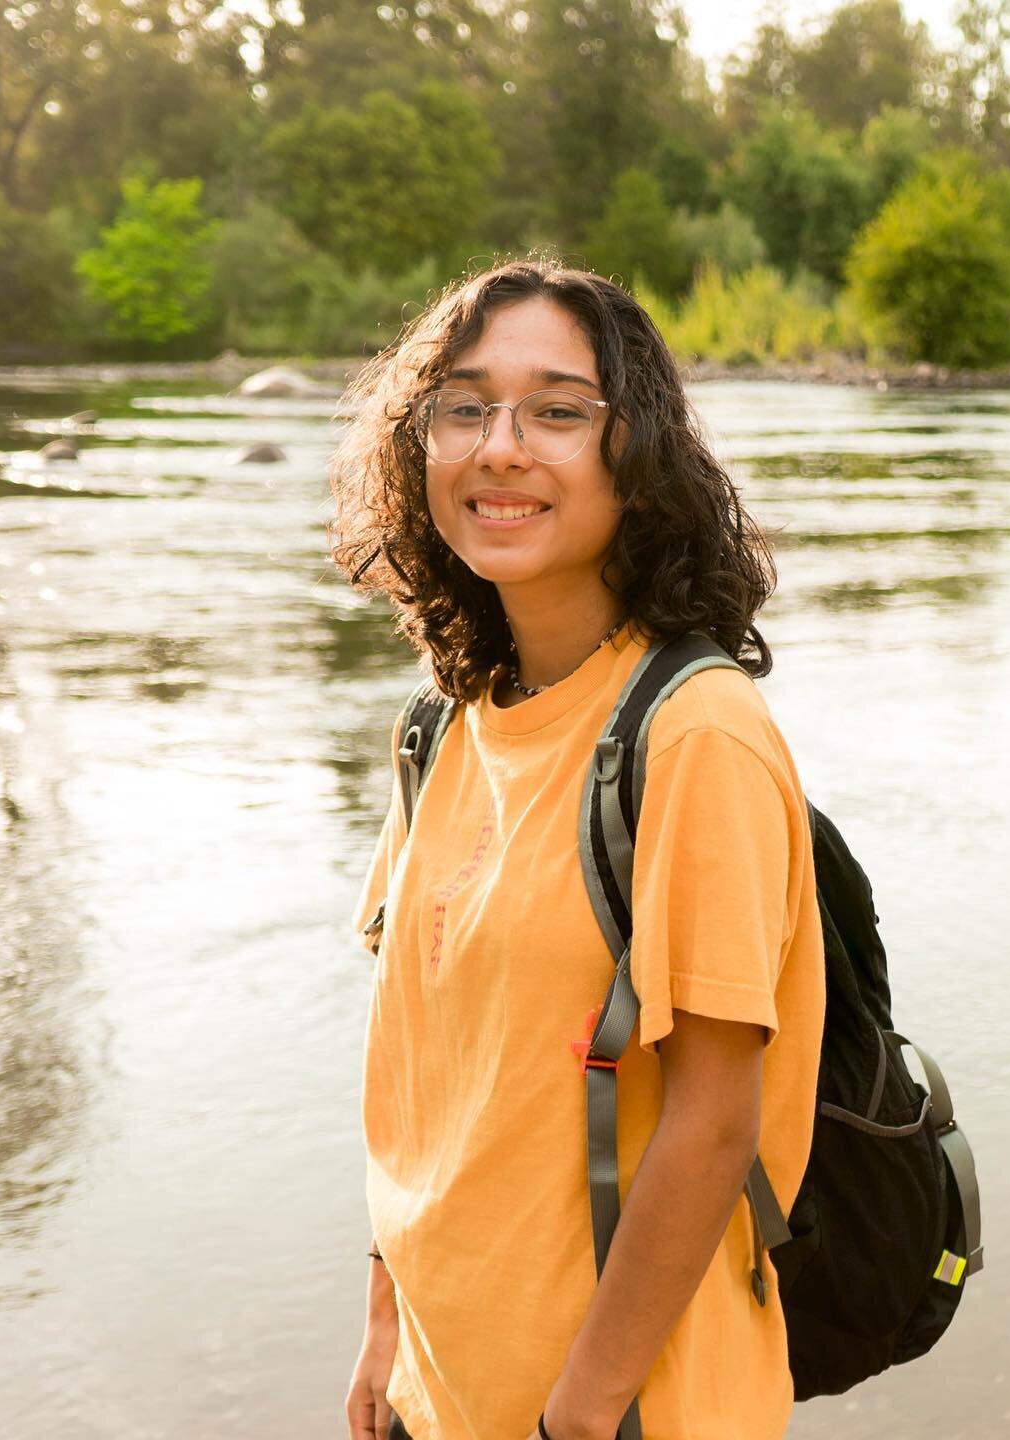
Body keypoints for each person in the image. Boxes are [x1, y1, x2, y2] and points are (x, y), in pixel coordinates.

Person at [328, 259, 825, 1440]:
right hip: (435, 1396)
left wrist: (581, 1414)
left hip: (620, 1413)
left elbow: (714, 1120)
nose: (502, 447)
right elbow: (423, 1073)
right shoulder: (442, 723)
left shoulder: (695, 735)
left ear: (636, 454)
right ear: (421, 448)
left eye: (557, 411)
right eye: (464, 407)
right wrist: (385, 1323)